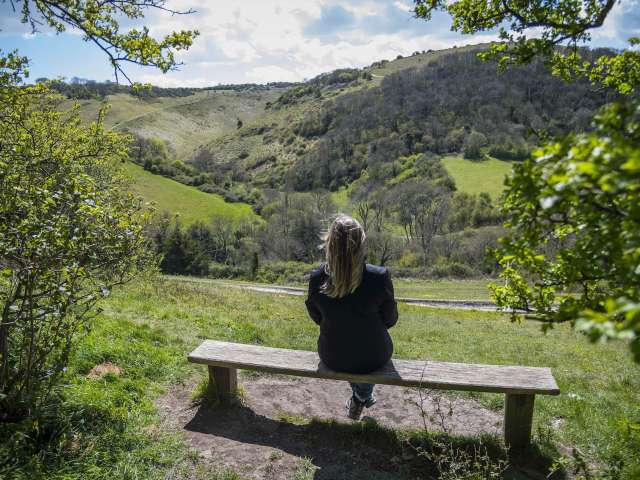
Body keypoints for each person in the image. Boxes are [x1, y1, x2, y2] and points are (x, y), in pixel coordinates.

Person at [305, 214, 398, 420]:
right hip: (375, 355)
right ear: (361, 245)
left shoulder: (316, 278)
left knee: (352, 350)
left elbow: (316, 316)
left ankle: (362, 395)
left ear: (329, 244)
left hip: (333, 355)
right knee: (364, 351)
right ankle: (362, 394)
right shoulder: (379, 277)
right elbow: (391, 319)